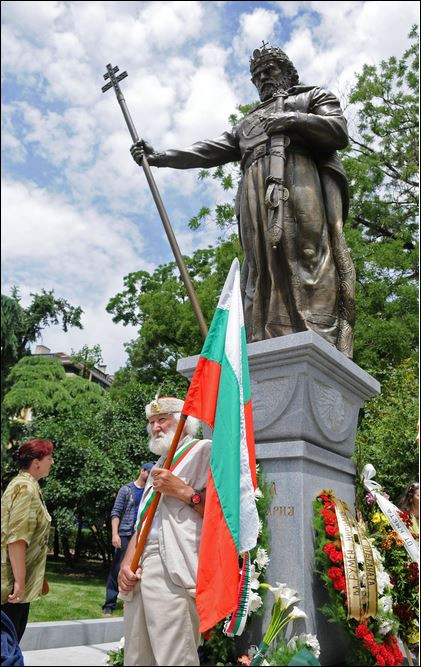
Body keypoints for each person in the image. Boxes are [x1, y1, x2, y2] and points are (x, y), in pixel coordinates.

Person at [130, 43, 355, 359]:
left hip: (299, 176)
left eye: (269, 70)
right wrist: (161, 157)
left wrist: (292, 120)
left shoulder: (312, 97)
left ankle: (318, 330)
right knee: (261, 262)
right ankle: (262, 333)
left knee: (307, 251)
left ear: (288, 72)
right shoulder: (247, 123)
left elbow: (337, 130)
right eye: (257, 74)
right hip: (253, 190)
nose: (263, 77)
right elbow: (208, 150)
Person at [118, 396, 211, 666]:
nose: (156, 427)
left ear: (184, 422)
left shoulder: (204, 450)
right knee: (136, 658)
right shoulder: (159, 464)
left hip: (174, 564)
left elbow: (224, 512)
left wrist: (183, 491)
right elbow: (144, 521)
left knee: (174, 658)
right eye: (152, 422)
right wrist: (126, 562)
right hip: (140, 565)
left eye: (163, 419)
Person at [1, 439, 54, 642]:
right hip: (10, 588)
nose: (52, 462)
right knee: (7, 649)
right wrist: (20, 582)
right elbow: (16, 539)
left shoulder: (27, 486)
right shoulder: (25, 489)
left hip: (12, 584)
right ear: (36, 462)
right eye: (49, 458)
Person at [102, 462, 154, 615]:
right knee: (117, 569)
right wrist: (115, 534)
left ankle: (129, 602)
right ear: (142, 470)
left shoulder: (149, 492)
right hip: (125, 534)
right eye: (149, 472)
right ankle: (109, 604)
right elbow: (116, 513)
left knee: (138, 571)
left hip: (141, 536)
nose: (150, 475)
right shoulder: (126, 490)